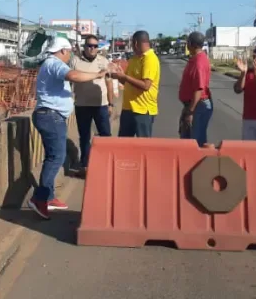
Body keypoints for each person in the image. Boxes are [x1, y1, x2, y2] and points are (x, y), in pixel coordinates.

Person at [28, 37, 106, 219]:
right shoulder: (54, 63)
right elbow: (74, 76)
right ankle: (39, 199)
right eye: (69, 51)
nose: (70, 55)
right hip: (50, 116)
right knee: (57, 157)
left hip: (51, 116)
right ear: (62, 51)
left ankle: (49, 196)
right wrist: (97, 75)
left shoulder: (50, 64)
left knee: (53, 156)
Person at [69, 34, 114, 177]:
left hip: (101, 105)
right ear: (84, 46)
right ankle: (86, 165)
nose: (92, 49)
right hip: (82, 105)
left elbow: (109, 83)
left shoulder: (104, 61)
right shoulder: (75, 61)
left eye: (95, 46)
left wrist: (111, 103)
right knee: (84, 137)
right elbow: (69, 82)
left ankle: (107, 163)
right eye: (90, 46)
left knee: (105, 135)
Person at [111, 30, 161, 137]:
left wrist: (125, 77)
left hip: (143, 110)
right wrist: (120, 76)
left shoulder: (150, 59)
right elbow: (126, 82)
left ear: (136, 43)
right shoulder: (134, 59)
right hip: (128, 108)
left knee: (142, 146)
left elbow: (146, 86)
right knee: (124, 144)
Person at [178, 31, 213, 146]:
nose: (186, 45)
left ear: (192, 44)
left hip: (198, 106)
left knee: (196, 141)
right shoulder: (195, 59)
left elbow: (199, 89)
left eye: (187, 42)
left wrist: (191, 111)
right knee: (187, 138)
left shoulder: (199, 62)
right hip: (192, 105)